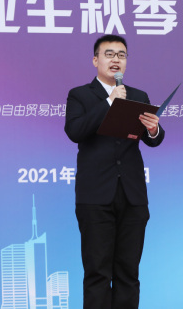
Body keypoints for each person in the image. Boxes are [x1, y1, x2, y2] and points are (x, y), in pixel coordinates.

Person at [64, 35, 165, 309]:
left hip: (132, 195)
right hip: (96, 196)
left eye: (121, 55)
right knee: (97, 273)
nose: (115, 60)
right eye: (109, 54)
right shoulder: (80, 95)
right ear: (95, 60)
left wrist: (153, 129)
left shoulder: (138, 96)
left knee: (128, 273)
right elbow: (75, 131)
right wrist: (109, 102)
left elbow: (153, 139)